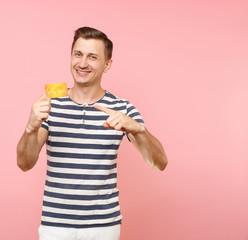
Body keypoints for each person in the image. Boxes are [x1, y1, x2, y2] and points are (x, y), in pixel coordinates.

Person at [16, 26, 168, 240]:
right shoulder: (49, 105)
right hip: (55, 226)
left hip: (104, 227)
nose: (83, 63)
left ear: (107, 65)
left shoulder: (122, 108)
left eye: (92, 57)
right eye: (78, 54)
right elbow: (25, 163)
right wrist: (31, 128)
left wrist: (139, 130)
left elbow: (159, 163)